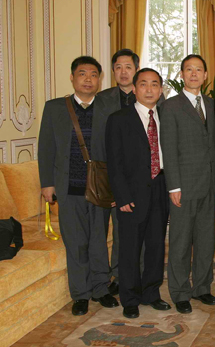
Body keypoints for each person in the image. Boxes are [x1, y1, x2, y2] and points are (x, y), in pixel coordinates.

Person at [38, 56, 119, 316]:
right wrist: (47, 184)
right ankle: (81, 294)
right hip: (69, 188)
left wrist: (117, 187)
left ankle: (100, 289)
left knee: (98, 240)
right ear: (72, 78)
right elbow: (46, 148)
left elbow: (117, 150)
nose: (88, 79)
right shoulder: (54, 108)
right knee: (75, 243)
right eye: (82, 73)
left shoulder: (109, 107)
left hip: (100, 188)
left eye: (93, 74)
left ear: (99, 80)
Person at [105, 68, 171, 319]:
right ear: (134, 89)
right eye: (143, 84)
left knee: (156, 245)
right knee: (130, 248)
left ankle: (151, 293)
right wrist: (121, 196)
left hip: (161, 188)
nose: (149, 89)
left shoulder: (166, 116)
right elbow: (114, 162)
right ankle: (130, 298)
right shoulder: (119, 119)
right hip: (131, 194)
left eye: (154, 84)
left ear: (161, 90)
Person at [160, 54, 215, 314]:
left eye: (199, 70)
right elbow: (169, 148)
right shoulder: (171, 106)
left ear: (205, 75)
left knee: (205, 241)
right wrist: (174, 186)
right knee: (181, 242)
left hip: (208, 184)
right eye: (189, 69)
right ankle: (180, 291)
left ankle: (202, 288)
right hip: (183, 186)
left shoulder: (211, 104)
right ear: (182, 74)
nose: (194, 74)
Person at [98, 48, 140, 296]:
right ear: (112, 71)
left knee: (134, 230)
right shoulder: (102, 99)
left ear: (136, 69)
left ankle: (132, 274)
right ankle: (114, 275)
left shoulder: (150, 95)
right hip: (108, 175)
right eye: (118, 67)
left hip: (140, 176)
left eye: (128, 67)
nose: (123, 72)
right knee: (111, 229)